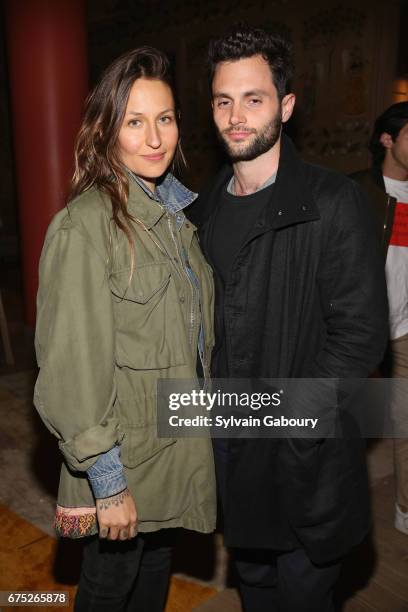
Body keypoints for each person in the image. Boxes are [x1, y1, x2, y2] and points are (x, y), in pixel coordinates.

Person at [187, 25, 388, 612]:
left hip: (304, 457)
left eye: (254, 98)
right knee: (254, 585)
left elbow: (360, 338)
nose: (236, 115)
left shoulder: (332, 203)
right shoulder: (202, 208)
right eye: (224, 100)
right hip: (231, 449)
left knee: (303, 594)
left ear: (287, 105)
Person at [33, 46, 216, 612]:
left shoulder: (175, 220)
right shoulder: (86, 227)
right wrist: (107, 481)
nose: (154, 137)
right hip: (125, 461)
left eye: (164, 119)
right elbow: (70, 368)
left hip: (171, 446)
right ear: (107, 130)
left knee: (156, 570)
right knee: (109, 588)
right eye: (134, 122)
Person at [353, 102, 408, 535]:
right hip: (362, 330)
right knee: (349, 424)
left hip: (406, 330)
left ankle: (405, 510)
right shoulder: (357, 194)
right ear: (388, 139)